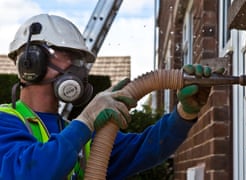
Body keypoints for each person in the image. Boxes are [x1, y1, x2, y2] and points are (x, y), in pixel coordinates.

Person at [0, 14, 220, 180]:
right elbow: (30, 172)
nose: (76, 69)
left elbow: (146, 148)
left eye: (78, 61)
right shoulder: (5, 121)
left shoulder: (76, 134)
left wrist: (185, 113)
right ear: (31, 61)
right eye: (67, 57)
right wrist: (85, 120)